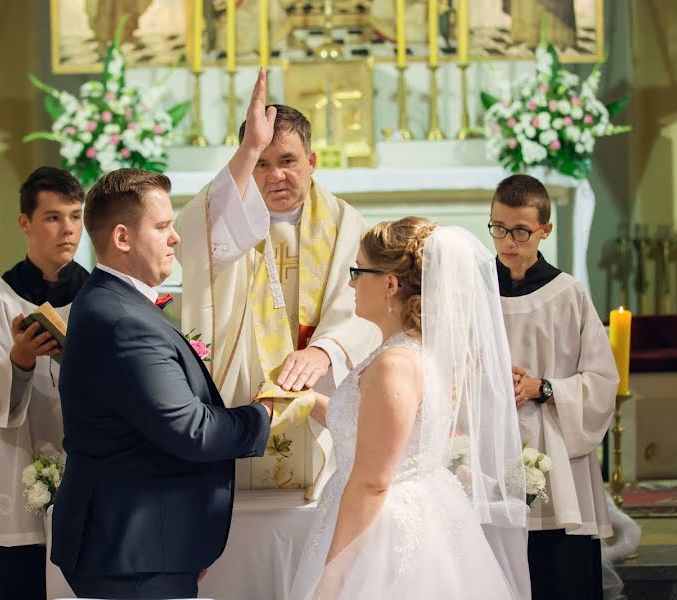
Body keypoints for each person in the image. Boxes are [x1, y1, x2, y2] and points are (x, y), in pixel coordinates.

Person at [50, 168, 274, 600]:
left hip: (142, 545)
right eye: (162, 226)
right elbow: (191, 430)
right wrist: (263, 414)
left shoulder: (112, 301)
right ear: (122, 238)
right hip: (133, 554)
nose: (174, 238)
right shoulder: (122, 320)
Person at [288, 218, 528, 599]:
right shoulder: (406, 349)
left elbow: (372, 482)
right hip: (393, 511)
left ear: (390, 283)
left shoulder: (394, 364)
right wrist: (304, 401)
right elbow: (367, 428)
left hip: (384, 534)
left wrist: (331, 578)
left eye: (358, 271)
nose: (351, 283)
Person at [175, 67, 378, 495]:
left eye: (287, 161)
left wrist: (326, 351)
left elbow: (365, 302)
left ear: (312, 161)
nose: (274, 176)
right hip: (245, 387)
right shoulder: (233, 218)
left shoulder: (345, 224)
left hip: (319, 391)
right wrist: (247, 151)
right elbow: (193, 238)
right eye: (261, 163)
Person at [0, 166, 88, 600]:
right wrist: (20, 359)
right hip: (10, 467)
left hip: (80, 460)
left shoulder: (97, 297)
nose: (67, 229)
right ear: (25, 222)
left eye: (74, 216)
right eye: (52, 217)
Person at [489, 174, 618, 600]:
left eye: (522, 231)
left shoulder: (568, 294)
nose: (509, 241)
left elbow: (601, 382)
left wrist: (542, 387)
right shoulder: (475, 292)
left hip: (557, 459)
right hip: (489, 448)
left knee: (561, 577)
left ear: (545, 230)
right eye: (499, 228)